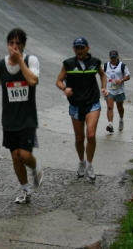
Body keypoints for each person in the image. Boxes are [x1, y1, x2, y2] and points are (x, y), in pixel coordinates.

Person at [0, 28, 43, 204]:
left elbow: (33, 81)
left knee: (24, 155)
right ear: (7, 44)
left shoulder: (31, 61)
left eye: (18, 43)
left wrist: (20, 61)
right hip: (9, 119)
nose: (14, 47)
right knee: (15, 157)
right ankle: (26, 190)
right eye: (11, 43)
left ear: (23, 46)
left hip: (27, 117)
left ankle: (36, 168)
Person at [56, 37, 108, 180]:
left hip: (92, 103)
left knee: (91, 135)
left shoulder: (95, 62)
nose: (79, 50)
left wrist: (104, 87)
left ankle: (90, 164)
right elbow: (59, 81)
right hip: (76, 104)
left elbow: (103, 75)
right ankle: (81, 162)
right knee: (80, 138)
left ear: (87, 48)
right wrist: (65, 89)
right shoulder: (68, 64)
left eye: (82, 48)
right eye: (76, 48)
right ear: (74, 49)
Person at [103, 50, 130, 133]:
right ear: (109, 57)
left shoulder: (122, 66)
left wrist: (121, 80)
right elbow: (102, 76)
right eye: (111, 57)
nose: (113, 59)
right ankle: (110, 124)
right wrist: (103, 87)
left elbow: (128, 76)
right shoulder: (105, 65)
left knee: (120, 107)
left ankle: (121, 119)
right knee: (110, 106)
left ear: (117, 57)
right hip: (109, 89)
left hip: (119, 90)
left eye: (114, 57)